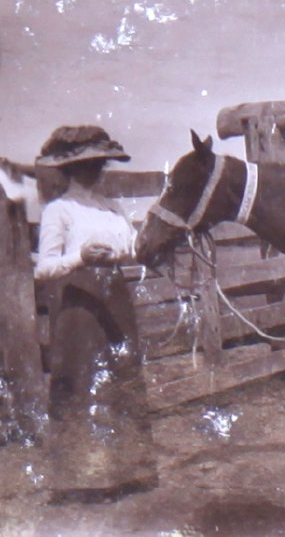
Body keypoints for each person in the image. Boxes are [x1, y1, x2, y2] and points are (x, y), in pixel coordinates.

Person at [34, 125, 157, 503]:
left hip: (115, 299)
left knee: (122, 377)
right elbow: (43, 269)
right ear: (68, 169)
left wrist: (125, 252)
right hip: (78, 306)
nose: (94, 170)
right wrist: (81, 257)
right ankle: (79, 480)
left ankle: (129, 473)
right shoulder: (60, 210)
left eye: (98, 163)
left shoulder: (112, 208)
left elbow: (132, 250)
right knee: (80, 381)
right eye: (85, 164)